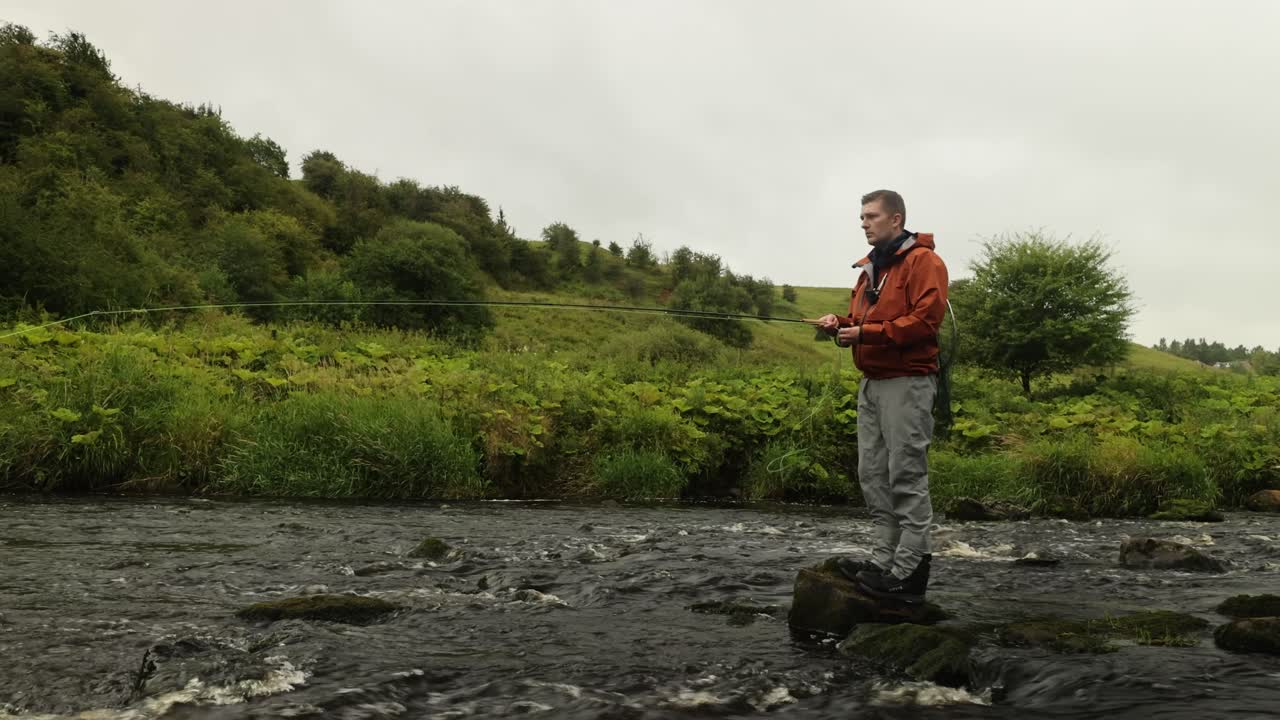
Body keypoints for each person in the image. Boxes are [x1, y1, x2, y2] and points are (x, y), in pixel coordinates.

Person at [816, 189, 948, 605]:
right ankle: (884, 562)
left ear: (896, 219)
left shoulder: (924, 262)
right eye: (861, 217)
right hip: (871, 383)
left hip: (907, 382)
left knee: (905, 474)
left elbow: (925, 322)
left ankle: (910, 573)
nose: (863, 223)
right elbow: (863, 320)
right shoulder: (869, 270)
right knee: (872, 474)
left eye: (871, 216)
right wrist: (839, 323)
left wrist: (867, 333)